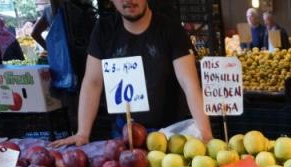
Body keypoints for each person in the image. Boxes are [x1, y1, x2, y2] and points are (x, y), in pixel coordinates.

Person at [51, 0, 212, 147]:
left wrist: (205, 133)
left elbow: (189, 82)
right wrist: (82, 133)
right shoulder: (104, 30)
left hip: (169, 134)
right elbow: (93, 82)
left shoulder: (171, 29)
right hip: (124, 133)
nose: (128, 1)